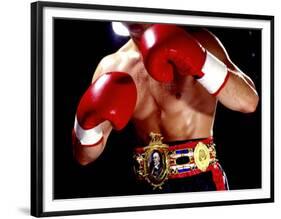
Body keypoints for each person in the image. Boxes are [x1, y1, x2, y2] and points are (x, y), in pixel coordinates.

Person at [72, 22, 259, 193]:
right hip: (146, 188)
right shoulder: (112, 66)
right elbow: (84, 157)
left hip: (201, 182)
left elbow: (249, 102)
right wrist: (87, 125)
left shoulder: (197, 40)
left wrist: (199, 60)